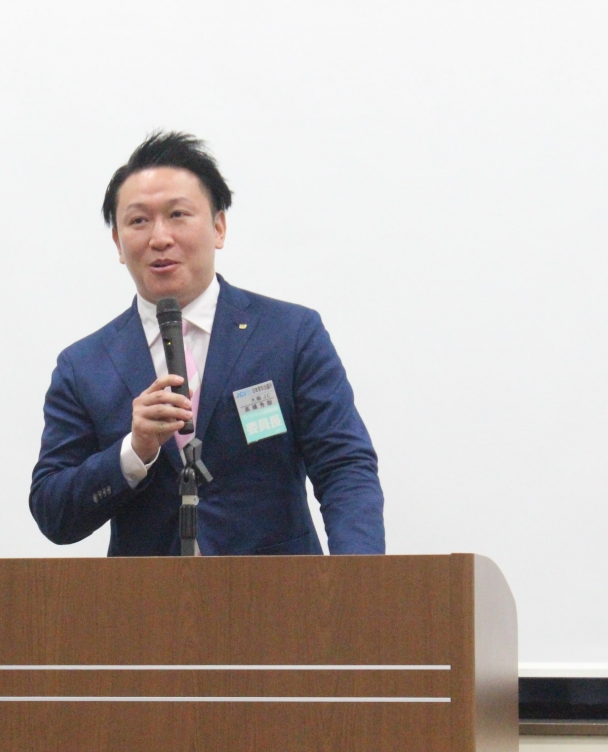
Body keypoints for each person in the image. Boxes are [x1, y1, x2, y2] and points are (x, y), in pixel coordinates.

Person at [29, 131, 383, 556]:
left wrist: (356, 580)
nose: (160, 238)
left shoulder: (289, 335)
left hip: (278, 591)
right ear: (118, 244)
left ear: (218, 227)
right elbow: (53, 511)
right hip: (146, 596)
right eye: (139, 221)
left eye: (178, 214)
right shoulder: (84, 366)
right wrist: (133, 451)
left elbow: (345, 467)